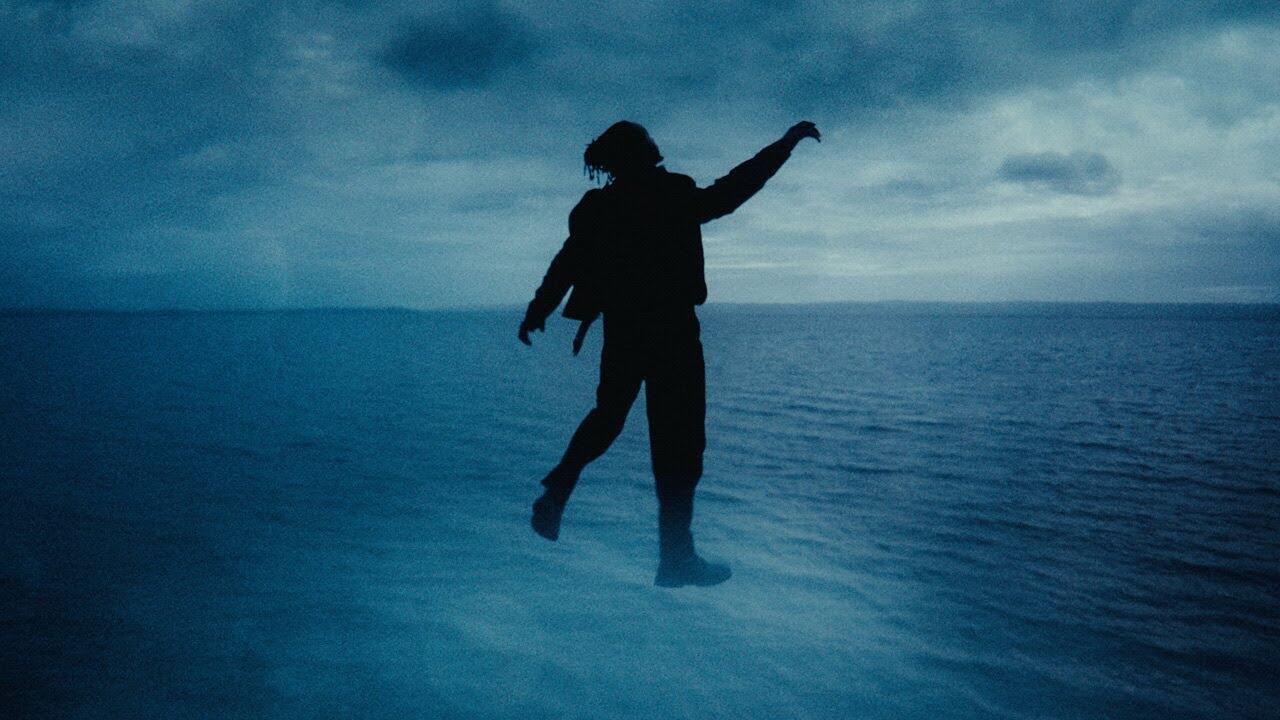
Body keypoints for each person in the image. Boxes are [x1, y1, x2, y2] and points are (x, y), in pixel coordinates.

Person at [519, 119, 821, 587]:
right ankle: (675, 555)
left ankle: (560, 485)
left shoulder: (599, 208)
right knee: (679, 446)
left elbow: (567, 263)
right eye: (647, 142)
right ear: (643, 152)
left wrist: (538, 310)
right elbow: (732, 191)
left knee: (607, 417)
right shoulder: (672, 193)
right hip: (672, 332)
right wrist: (784, 145)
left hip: (624, 329)